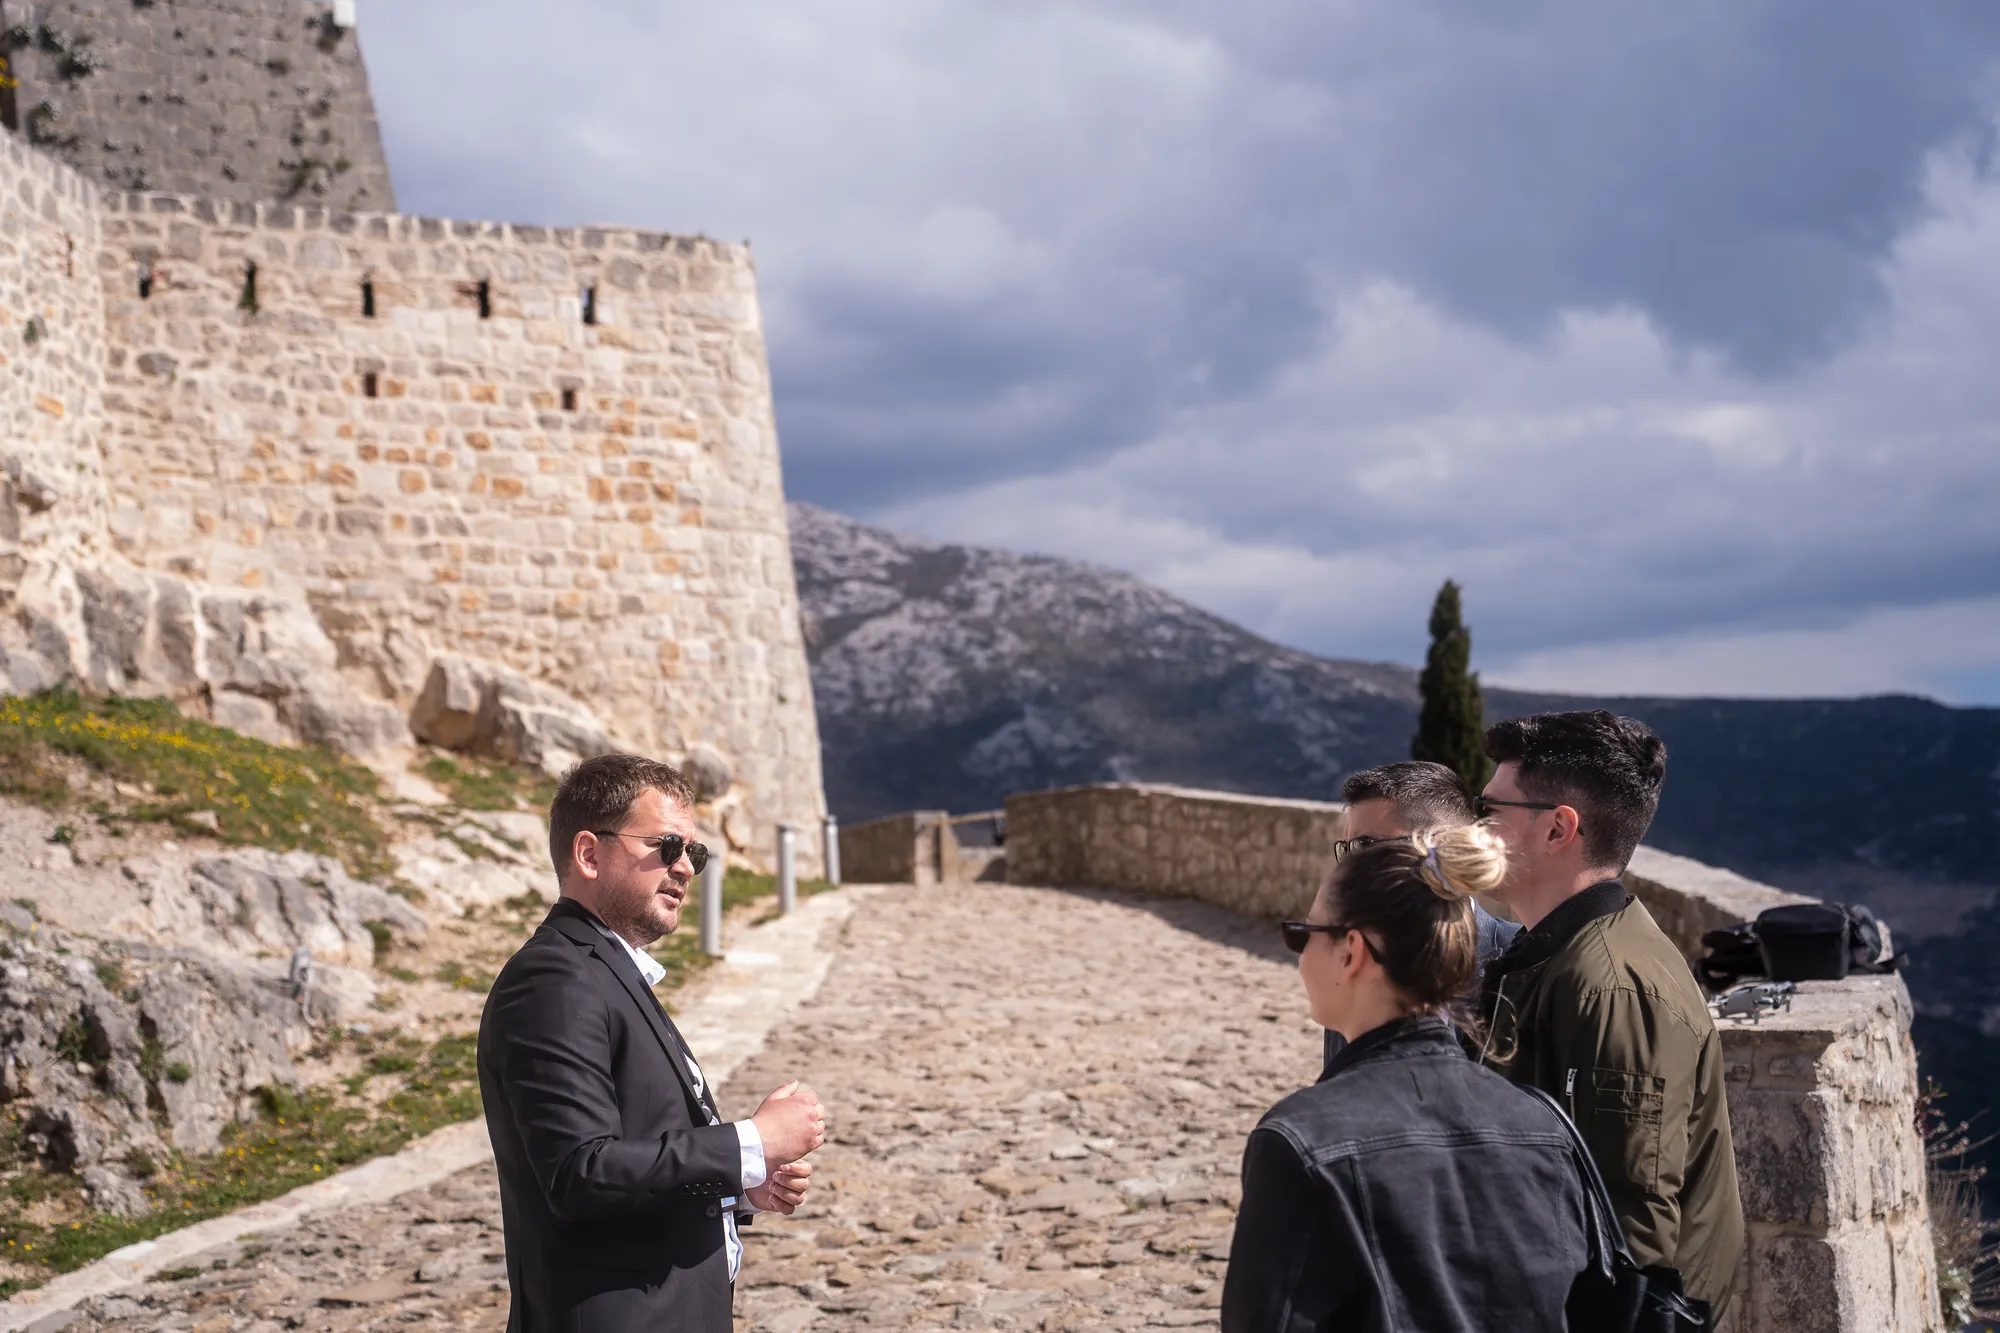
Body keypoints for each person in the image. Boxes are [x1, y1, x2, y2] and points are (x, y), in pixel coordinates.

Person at [478, 754, 826, 1333]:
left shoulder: (603, 971)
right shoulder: (554, 979)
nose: (686, 868)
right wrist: (748, 1140)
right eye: (667, 846)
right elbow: (579, 1172)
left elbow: (638, 1147)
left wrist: (741, 1183)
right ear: (589, 854)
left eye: (695, 852)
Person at [1222, 825, 1593, 1332]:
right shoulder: (1544, 1128)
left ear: (1350, 952)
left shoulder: (1299, 1142)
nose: (1300, 954)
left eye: (1303, 935)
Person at [1476, 711, 1743, 1324]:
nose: (1477, 825)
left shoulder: (1612, 987)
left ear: (1557, 830)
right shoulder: (1558, 952)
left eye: (1490, 810)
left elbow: (1631, 1235)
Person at [1321, 761, 1521, 1074]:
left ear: (1437, 845)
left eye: (1364, 846)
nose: (1349, 868)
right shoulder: (1355, 965)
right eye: (1346, 849)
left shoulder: (1520, 960)